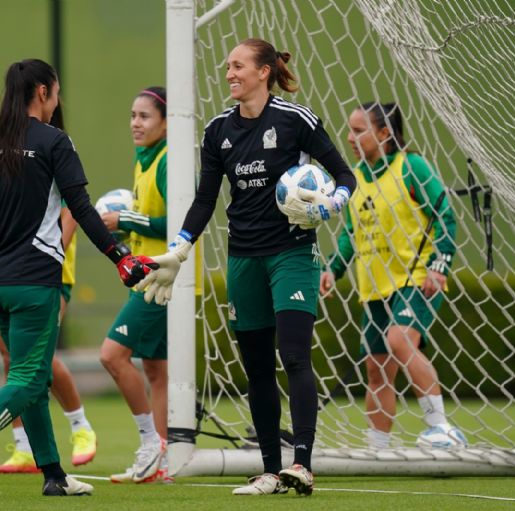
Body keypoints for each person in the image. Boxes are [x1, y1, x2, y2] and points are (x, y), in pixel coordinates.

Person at [136, 39, 356, 496]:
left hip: (292, 254)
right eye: (228, 67)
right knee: (256, 368)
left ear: (263, 72)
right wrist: (179, 249)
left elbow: (345, 176)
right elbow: (204, 200)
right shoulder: (218, 131)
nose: (229, 73)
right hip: (243, 258)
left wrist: (330, 204)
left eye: (238, 66)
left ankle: (304, 465)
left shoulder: (297, 120)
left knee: (294, 355)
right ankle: (271, 472)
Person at [0, 58, 156, 499]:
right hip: (36, 284)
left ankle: (54, 474)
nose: (58, 101)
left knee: (30, 380)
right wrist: (120, 257)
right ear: (42, 93)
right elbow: (83, 208)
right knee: (31, 379)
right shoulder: (55, 142)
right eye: (56, 92)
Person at [319, 101, 466, 451]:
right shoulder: (352, 179)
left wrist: (438, 267)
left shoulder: (410, 166)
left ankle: (442, 428)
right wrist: (332, 269)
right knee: (376, 368)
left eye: (359, 130)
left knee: (400, 341)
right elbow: (350, 234)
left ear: (384, 133)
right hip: (374, 290)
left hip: (415, 279)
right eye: (350, 130)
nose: (350, 137)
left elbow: (444, 215)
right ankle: (378, 448)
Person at [0, 207, 97, 473]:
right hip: (8, 276)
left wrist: (42, 266)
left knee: (38, 360)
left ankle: (81, 428)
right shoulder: (2, 169)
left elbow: (71, 213)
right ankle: (24, 447)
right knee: (11, 358)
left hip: (48, 277)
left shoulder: (50, 169)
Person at [98, 86, 170, 484]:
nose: (135, 124)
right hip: (144, 276)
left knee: (111, 356)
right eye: (132, 115)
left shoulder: (168, 161)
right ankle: (160, 464)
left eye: (144, 116)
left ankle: (150, 446)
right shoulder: (145, 161)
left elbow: (177, 222)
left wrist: (125, 220)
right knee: (155, 371)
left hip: (161, 279)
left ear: (165, 121)